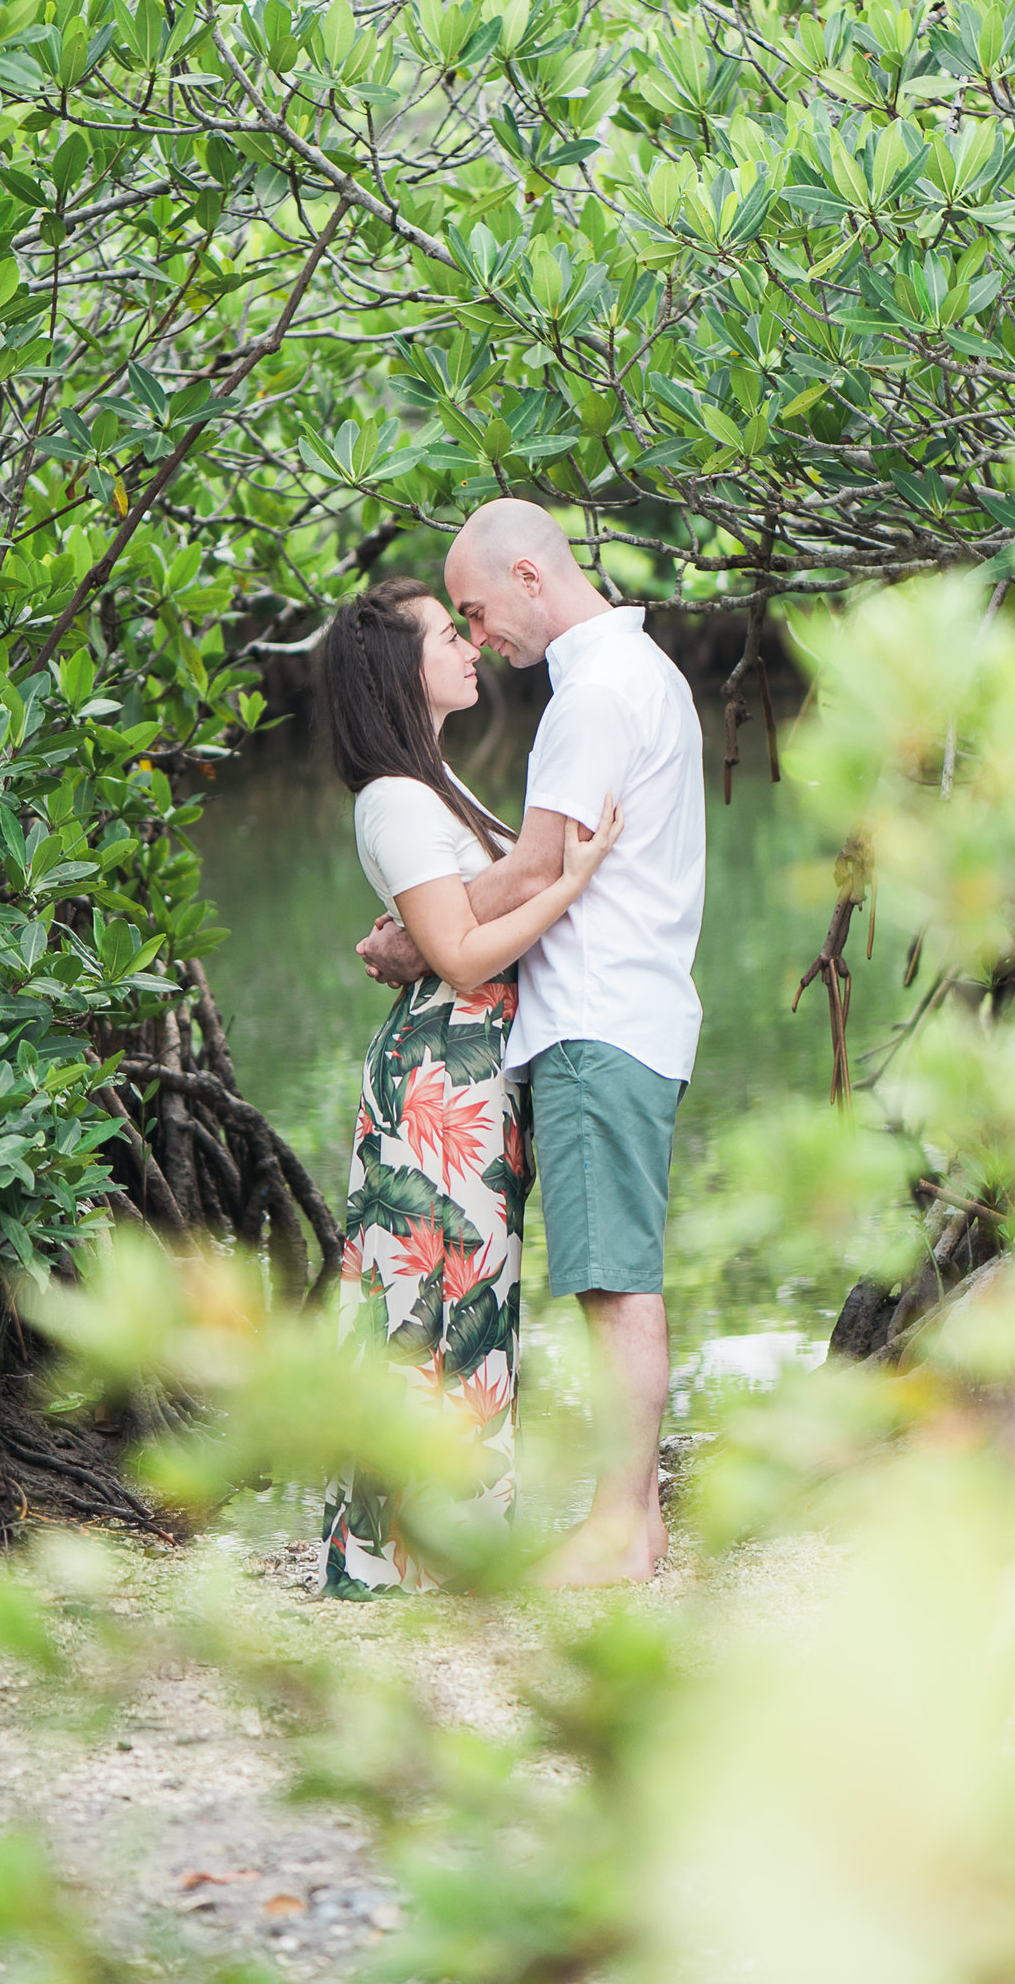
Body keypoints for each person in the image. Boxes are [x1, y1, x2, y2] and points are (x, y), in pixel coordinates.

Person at [359, 505, 707, 1587]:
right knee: (613, 1271)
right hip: (621, 1013)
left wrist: (416, 938)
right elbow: (536, 868)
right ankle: (636, 1520)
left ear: (527, 573)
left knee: (613, 1282)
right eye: (455, 622)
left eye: (477, 609)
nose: (479, 636)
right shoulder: (633, 673)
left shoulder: (595, 691)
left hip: (600, 1017)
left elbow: (531, 870)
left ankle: (614, 1528)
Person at [318, 575, 622, 1597]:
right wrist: (570, 882)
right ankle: (395, 1558)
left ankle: (450, 1546)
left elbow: (448, 924)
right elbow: (455, 952)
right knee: (424, 1305)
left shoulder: (437, 784)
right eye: (449, 635)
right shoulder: (398, 799)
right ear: (397, 671)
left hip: (473, 1071)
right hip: (440, 1077)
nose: (469, 646)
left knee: (471, 1301)